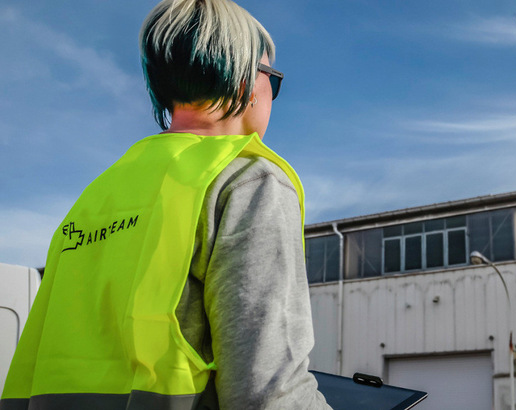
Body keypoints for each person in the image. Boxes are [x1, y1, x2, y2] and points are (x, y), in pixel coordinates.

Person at [0, 1, 331, 409]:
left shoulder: (97, 194)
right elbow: (268, 391)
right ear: (245, 80)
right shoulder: (247, 180)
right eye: (273, 80)